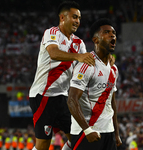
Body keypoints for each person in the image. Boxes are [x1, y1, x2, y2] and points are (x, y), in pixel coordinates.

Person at [29, 1, 96, 150]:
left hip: (64, 97)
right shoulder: (51, 33)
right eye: (74, 17)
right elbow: (53, 53)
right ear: (62, 18)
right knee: (43, 146)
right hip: (44, 94)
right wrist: (78, 57)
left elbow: (83, 68)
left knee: (77, 139)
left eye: (79, 18)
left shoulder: (79, 43)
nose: (77, 21)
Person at [67, 18, 122, 150]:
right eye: (107, 32)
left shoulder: (114, 69)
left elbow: (111, 103)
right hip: (87, 132)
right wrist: (87, 130)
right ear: (96, 40)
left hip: (108, 132)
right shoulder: (87, 65)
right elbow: (71, 100)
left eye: (113, 33)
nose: (112, 35)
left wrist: (116, 133)